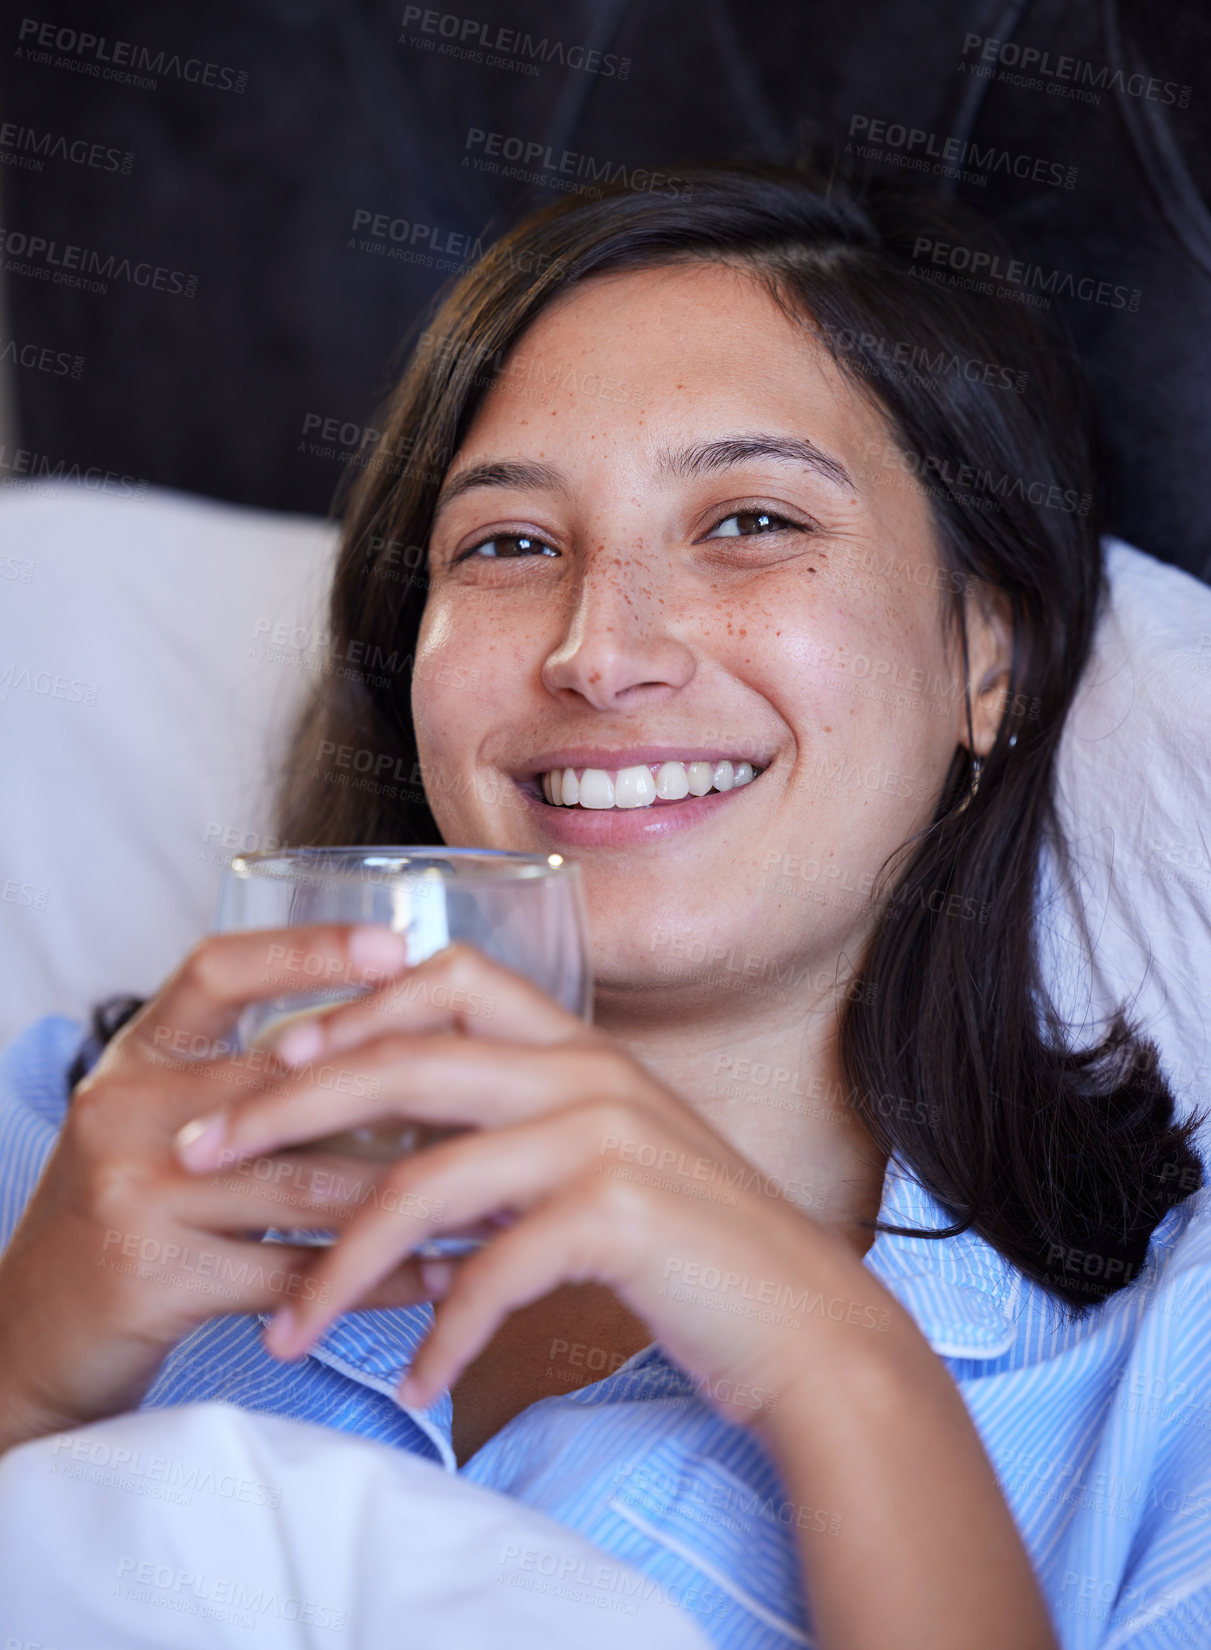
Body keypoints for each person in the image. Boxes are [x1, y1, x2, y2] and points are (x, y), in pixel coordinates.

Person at [0, 159, 1207, 1650]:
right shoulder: (67, 1150)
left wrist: (842, 1369)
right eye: (509, 543)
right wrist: (25, 1379)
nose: (600, 649)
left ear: (986, 655)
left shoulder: (1166, 1378)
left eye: (750, 519)